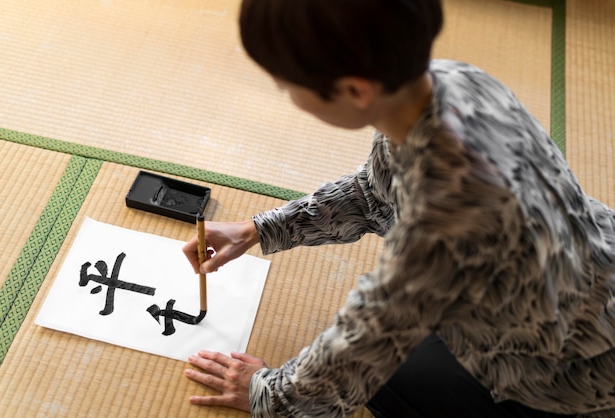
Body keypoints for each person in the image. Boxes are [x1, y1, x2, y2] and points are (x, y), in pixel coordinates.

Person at [181, 0, 615, 417]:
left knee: (388, 382)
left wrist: (269, 395)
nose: (287, 95)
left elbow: (370, 342)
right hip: (586, 272)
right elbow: (375, 196)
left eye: (287, 85)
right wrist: (257, 229)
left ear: (354, 89)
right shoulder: (454, 81)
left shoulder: (447, 212)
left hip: (575, 365)